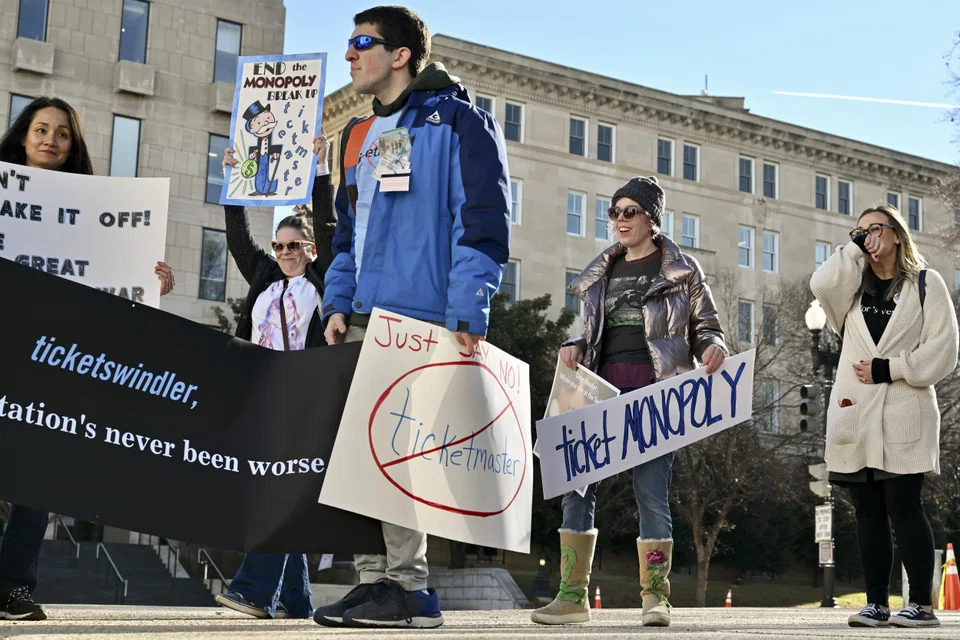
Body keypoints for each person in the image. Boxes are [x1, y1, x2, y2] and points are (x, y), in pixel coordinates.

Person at [314, 6, 510, 630]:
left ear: (400, 55)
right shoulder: (355, 136)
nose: (349, 56)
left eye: (361, 44)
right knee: (355, 457)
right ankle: (376, 584)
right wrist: (336, 303)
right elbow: (347, 236)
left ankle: (411, 587)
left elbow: (482, 222)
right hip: (362, 317)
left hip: (423, 317)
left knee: (397, 452)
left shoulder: (460, 123)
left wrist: (467, 308)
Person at [0, 96, 175, 621]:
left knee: (39, 479)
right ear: (22, 137)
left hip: (55, 362)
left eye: (62, 133)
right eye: (40, 129)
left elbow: (112, 291)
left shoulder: (99, 214)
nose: (50, 140)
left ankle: (12, 587)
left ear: (73, 145)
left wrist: (150, 283)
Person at [530, 176, 726, 628]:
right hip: (599, 394)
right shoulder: (601, 273)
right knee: (576, 489)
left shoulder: (682, 270)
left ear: (652, 219)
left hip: (656, 398)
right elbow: (591, 331)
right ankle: (572, 597)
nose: (618, 220)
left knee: (651, 496)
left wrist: (714, 347)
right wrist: (575, 344)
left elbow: (706, 327)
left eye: (628, 212)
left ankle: (655, 599)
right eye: (614, 212)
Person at [810, 204, 959, 629]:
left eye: (876, 229)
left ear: (897, 235)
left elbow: (944, 351)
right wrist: (856, 250)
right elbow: (820, 282)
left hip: (904, 414)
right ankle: (876, 602)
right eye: (860, 232)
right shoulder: (850, 290)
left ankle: (921, 606)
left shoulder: (926, 285)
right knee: (867, 511)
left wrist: (889, 368)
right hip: (854, 415)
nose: (869, 237)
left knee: (904, 506)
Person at [213, 135, 335, 618]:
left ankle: (254, 590)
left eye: (295, 246)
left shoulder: (323, 279)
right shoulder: (265, 276)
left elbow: (327, 228)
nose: (286, 252)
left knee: (279, 494)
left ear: (307, 248)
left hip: (304, 396)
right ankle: (296, 599)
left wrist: (322, 170)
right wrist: (233, 178)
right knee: (277, 491)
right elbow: (238, 238)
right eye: (280, 245)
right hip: (263, 395)